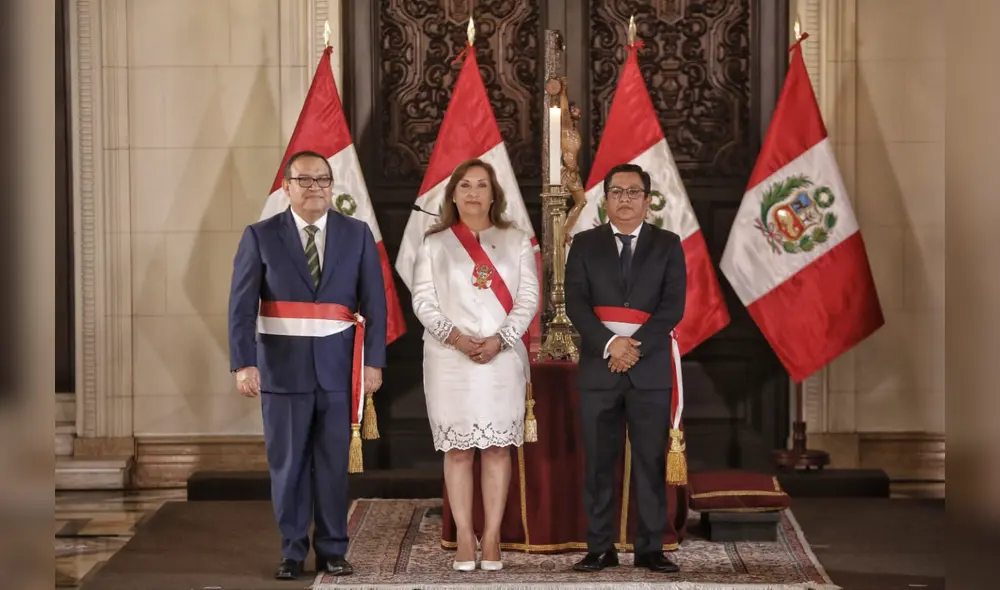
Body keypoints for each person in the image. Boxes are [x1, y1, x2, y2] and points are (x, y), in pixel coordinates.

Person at [228, 149, 387, 580]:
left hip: (340, 372)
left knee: (334, 466)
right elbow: (241, 307)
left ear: (332, 186)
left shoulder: (357, 234)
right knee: (289, 466)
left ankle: (333, 549)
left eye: (323, 180)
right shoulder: (260, 235)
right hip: (282, 371)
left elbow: (375, 301)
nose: (315, 188)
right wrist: (244, 363)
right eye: (305, 180)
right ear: (287, 187)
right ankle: (292, 551)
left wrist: (373, 362)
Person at [409, 159, 539, 572]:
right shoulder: (435, 243)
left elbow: (528, 299)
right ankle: (465, 534)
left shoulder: (516, 239)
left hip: (501, 358)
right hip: (450, 359)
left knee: (498, 448)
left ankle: (494, 534)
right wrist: (458, 338)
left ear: (494, 194)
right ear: (452, 194)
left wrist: (500, 339)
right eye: (464, 185)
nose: (473, 193)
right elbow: (423, 300)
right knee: (460, 449)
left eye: (482, 185)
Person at [564, 162, 686, 574]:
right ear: (606, 198)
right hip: (600, 370)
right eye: (617, 192)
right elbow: (576, 304)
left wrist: (634, 348)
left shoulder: (668, 244)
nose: (625, 200)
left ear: (647, 200)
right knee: (599, 462)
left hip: (649, 371)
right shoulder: (583, 244)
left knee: (651, 462)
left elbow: (672, 307)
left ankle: (650, 547)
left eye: (634, 192)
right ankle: (600, 547)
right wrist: (611, 345)